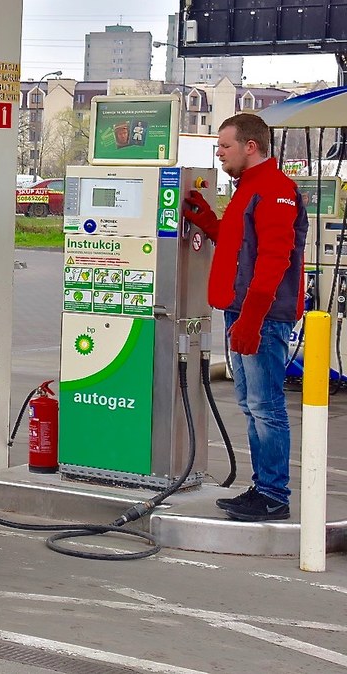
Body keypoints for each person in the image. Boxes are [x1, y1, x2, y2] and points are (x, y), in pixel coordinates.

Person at [182, 113, 309, 522]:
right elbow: (244, 246)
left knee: (266, 406)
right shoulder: (249, 189)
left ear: (250, 147)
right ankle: (262, 488)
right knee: (251, 405)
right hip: (243, 312)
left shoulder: (274, 189)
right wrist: (209, 222)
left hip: (263, 316)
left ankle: (273, 495)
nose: (219, 154)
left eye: (224, 147)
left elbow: (273, 259)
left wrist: (252, 320)